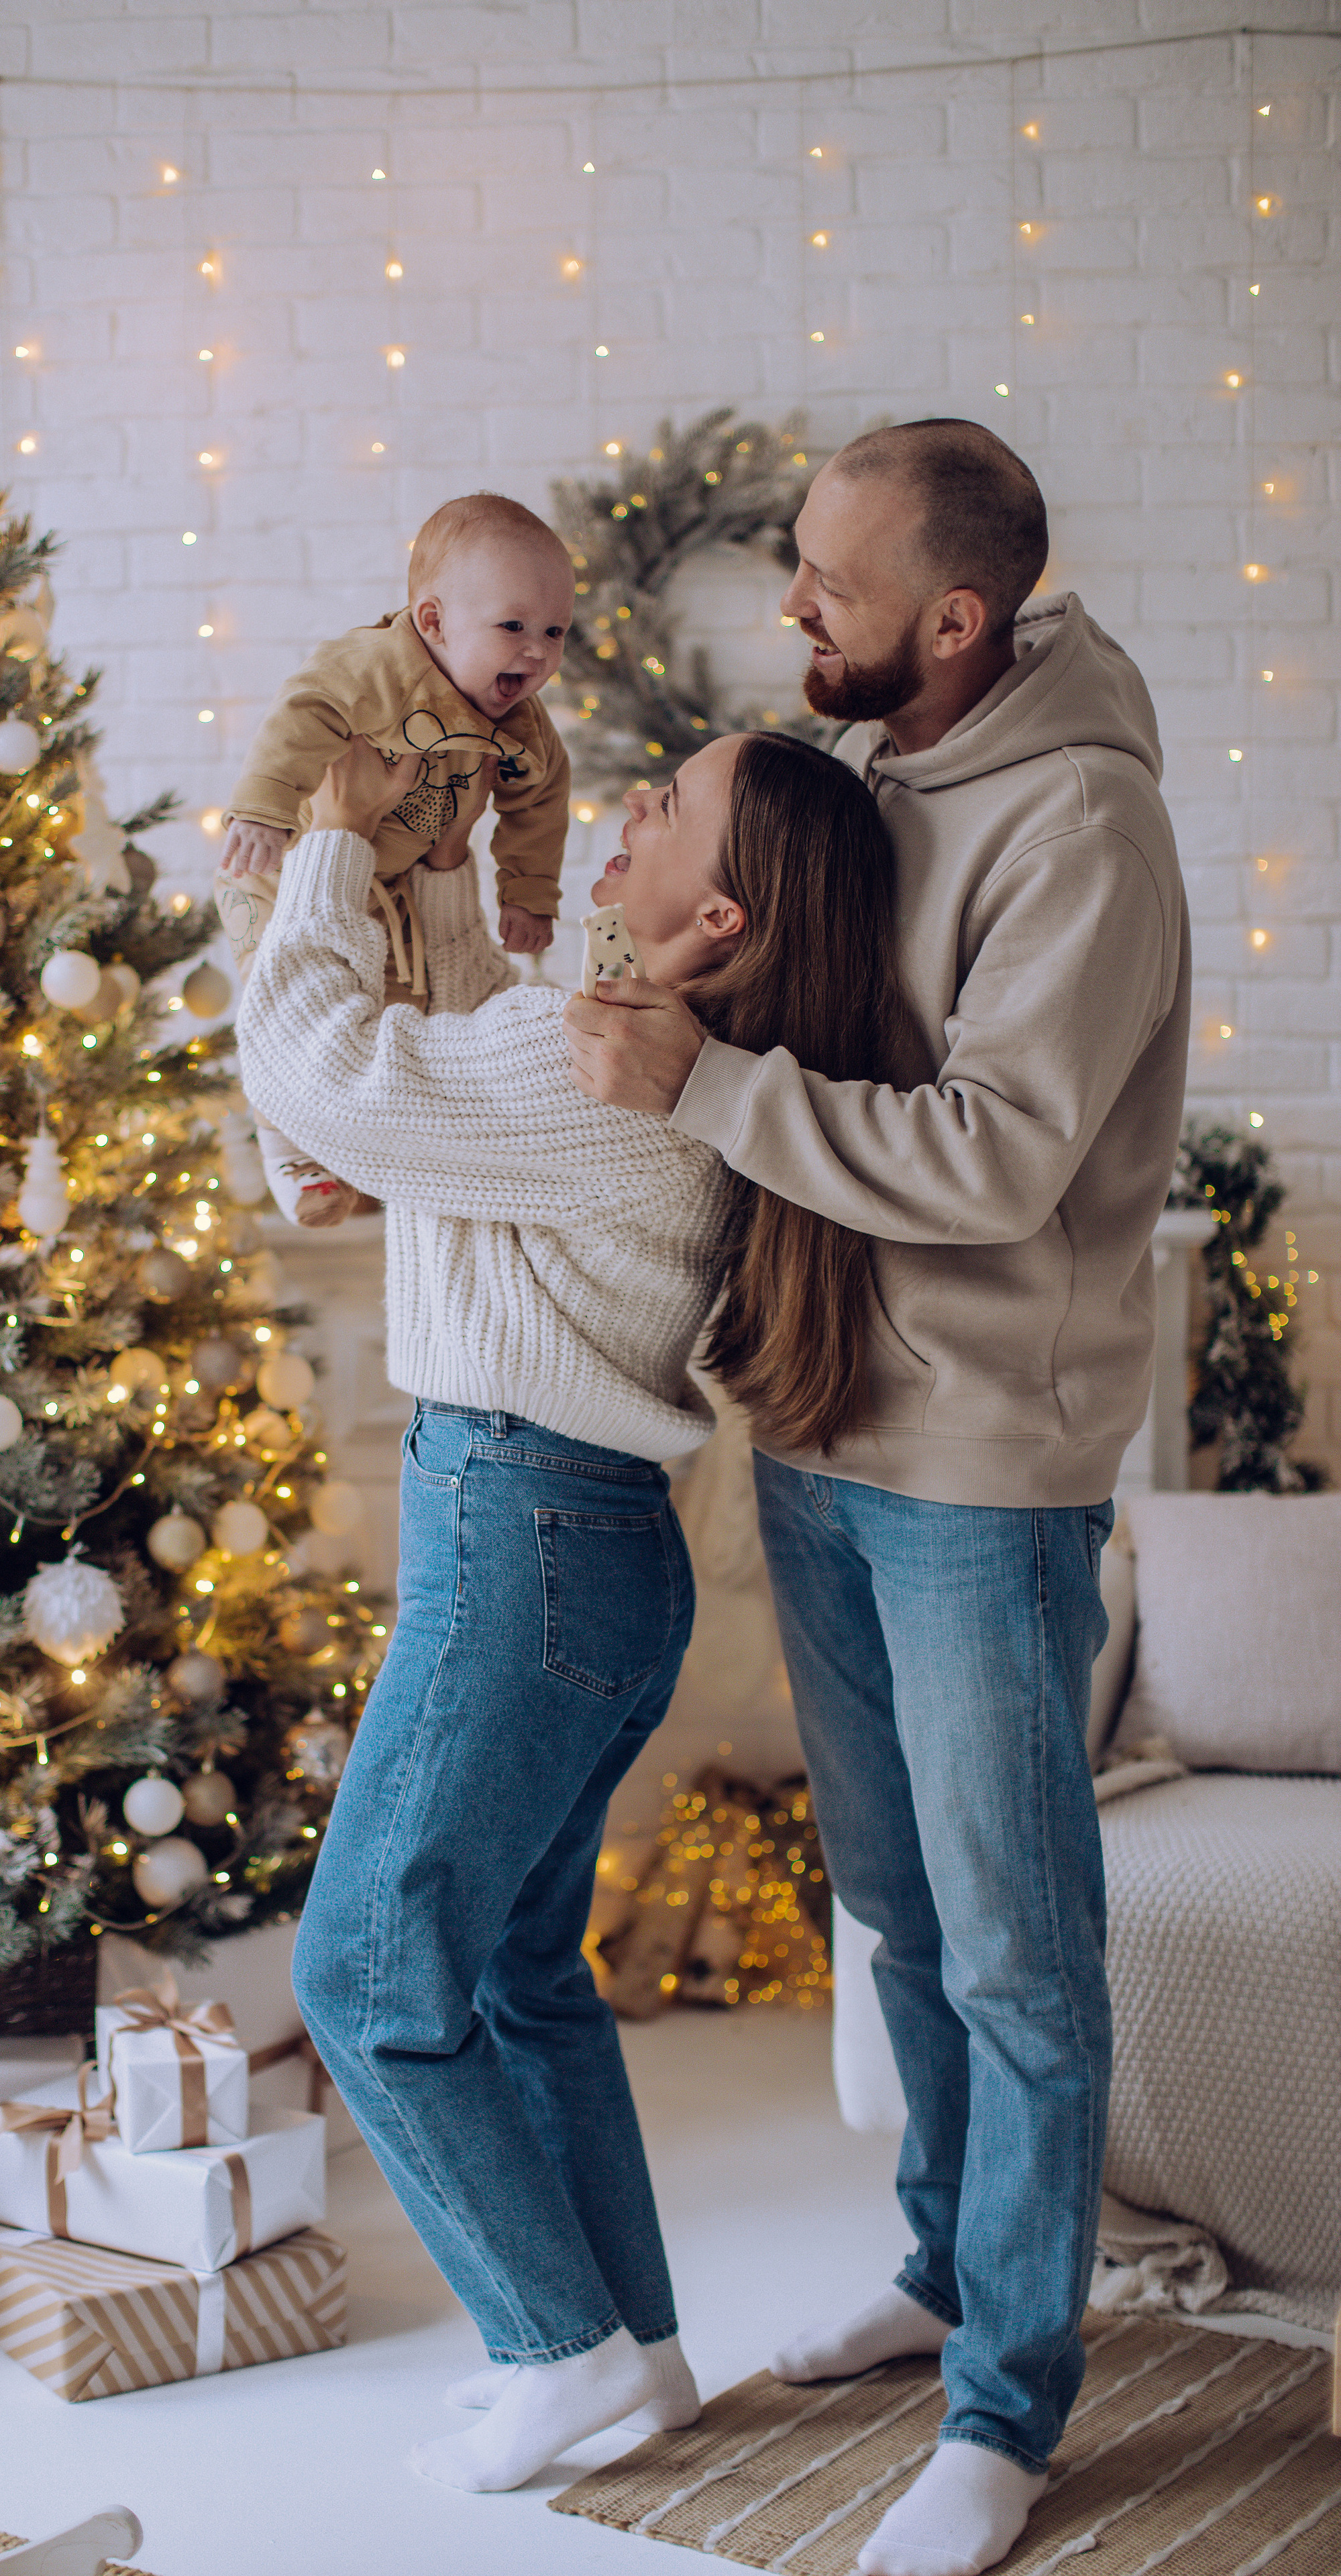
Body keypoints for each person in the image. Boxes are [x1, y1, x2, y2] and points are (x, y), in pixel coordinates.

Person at [564, 419, 1192, 2576]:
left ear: (952, 616)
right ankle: (940, 2264)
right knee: (898, 1913)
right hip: (820, 1426)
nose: (789, 611)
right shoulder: (870, 782)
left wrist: (713, 1081)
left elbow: (999, 1152)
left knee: (1016, 1948)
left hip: (976, 1464)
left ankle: (1006, 2400)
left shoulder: (1081, 822)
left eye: (825, 583)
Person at [237, 723, 916, 2495]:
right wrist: (446, 868)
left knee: (367, 1969)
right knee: (527, 1969)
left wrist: (328, 847)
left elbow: (326, 1069)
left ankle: (557, 2346)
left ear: (720, 917)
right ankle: (640, 2355)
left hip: (519, 1534)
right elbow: (467, 1045)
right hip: (591, 1544)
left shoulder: (594, 1068)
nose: (628, 812)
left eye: (668, 808)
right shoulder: (655, 1063)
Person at [216, 492, 574, 1225]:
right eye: (512, 626)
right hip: (288, 866)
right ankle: (285, 1137)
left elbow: (540, 803)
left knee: (391, 1008)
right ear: (434, 621)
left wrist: (528, 893)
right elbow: (304, 712)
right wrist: (262, 806)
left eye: (554, 631)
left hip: (399, 883)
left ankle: (359, 1150)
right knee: (283, 993)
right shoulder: (377, 667)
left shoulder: (523, 730)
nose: (536, 650)